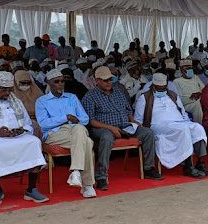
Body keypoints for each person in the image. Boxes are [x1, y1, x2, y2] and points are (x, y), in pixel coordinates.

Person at [0, 72, 49, 205]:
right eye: (3, 90)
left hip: (15, 136)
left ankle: (31, 189)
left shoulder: (16, 101)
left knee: (34, 142)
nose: (7, 93)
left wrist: (22, 129)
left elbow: (28, 123)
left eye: (10, 90)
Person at [82, 66, 160, 188]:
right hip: (102, 128)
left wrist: (133, 120)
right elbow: (90, 120)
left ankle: (149, 168)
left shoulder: (118, 91)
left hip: (125, 126)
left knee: (148, 133)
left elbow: (128, 109)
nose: (109, 82)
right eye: (105, 80)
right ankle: (101, 176)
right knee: (107, 137)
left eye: (110, 79)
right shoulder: (90, 96)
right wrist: (110, 128)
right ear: (97, 80)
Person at [134, 73, 208, 177]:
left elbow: (183, 113)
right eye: (159, 88)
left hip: (179, 122)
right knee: (183, 130)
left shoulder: (173, 95)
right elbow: (138, 119)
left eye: (163, 88)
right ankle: (188, 167)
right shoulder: (144, 98)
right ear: (153, 86)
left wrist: (189, 123)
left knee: (198, 128)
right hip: (158, 125)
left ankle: (200, 163)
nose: (161, 90)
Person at [35, 69, 97, 198]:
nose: (60, 84)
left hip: (75, 129)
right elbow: (44, 124)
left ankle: (76, 172)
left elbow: (84, 119)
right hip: (55, 133)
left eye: (63, 81)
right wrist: (66, 118)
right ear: (48, 82)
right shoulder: (42, 101)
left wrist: (73, 121)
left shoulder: (71, 97)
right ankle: (87, 185)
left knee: (80, 130)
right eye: (56, 81)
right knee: (87, 142)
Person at [13, 70, 46, 138]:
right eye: (22, 83)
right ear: (16, 82)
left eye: (28, 83)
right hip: (19, 123)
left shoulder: (37, 93)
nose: (26, 85)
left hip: (39, 121)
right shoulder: (11, 95)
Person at [172, 59, 205, 123]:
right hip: (187, 105)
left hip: (201, 100)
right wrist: (192, 98)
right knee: (197, 104)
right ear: (181, 70)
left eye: (190, 68)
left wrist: (199, 94)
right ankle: (199, 127)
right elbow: (179, 100)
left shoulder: (195, 77)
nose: (189, 70)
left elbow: (205, 90)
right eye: (187, 68)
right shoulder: (177, 81)